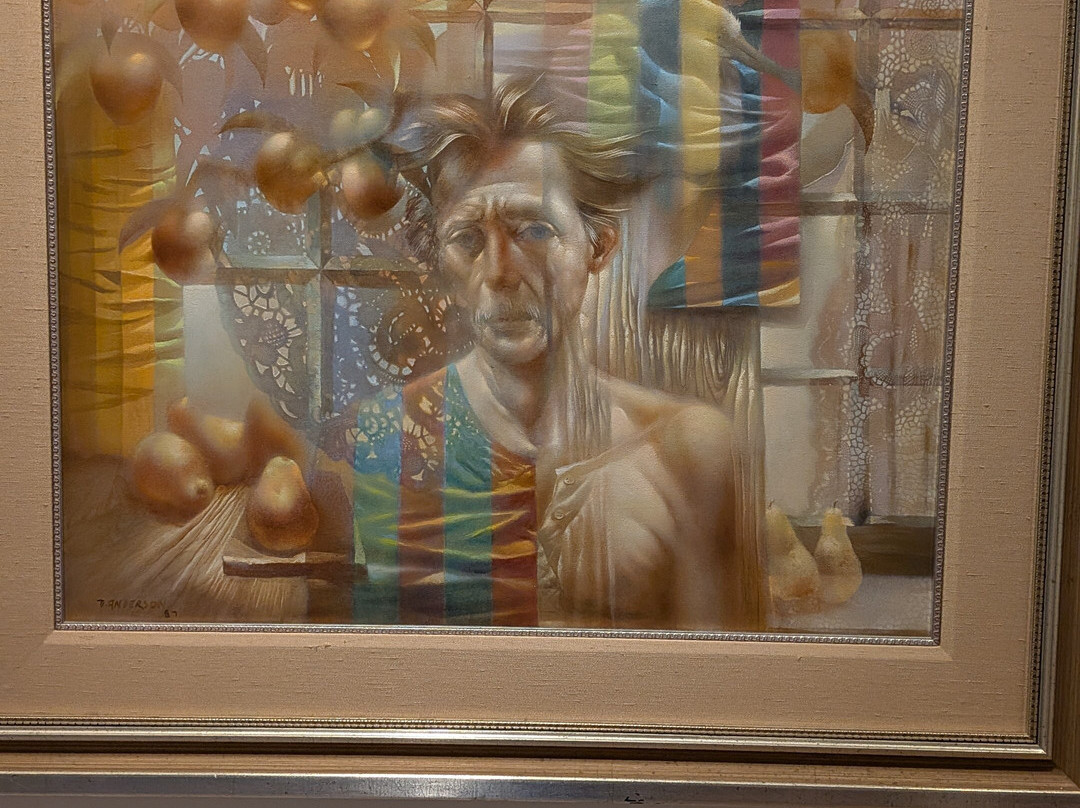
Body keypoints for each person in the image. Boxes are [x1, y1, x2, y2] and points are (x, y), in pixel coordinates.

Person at [325, 77, 764, 631]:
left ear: (598, 245)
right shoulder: (374, 445)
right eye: (467, 239)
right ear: (439, 261)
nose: (500, 273)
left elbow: (721, 675)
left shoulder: (685, 450)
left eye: (534, 229)